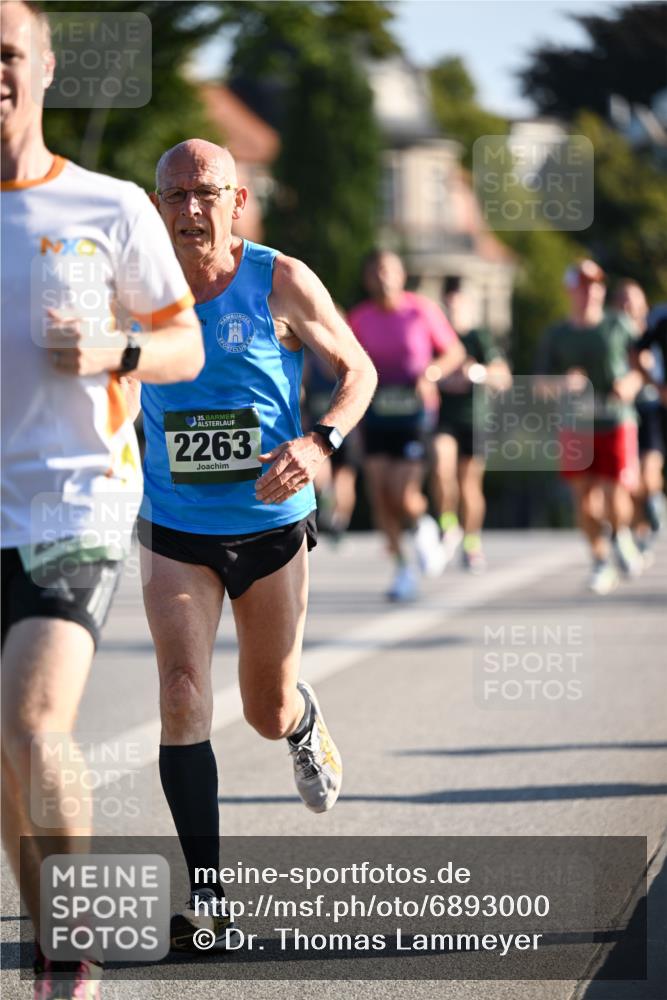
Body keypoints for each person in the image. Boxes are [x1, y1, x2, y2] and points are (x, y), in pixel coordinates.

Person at [0, 2, 204, 997]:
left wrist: (116, 347)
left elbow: (185, 343)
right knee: (5, 745)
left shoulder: (107, 206)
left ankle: (74, 952)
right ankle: (49, 950)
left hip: (73, 503)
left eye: (5, 54)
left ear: (41, 67)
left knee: (35, 719)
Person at [135, 139, 377, 950]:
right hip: (175, 529)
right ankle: (209, 901)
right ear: (158, 203)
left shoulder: (278, 278)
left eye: (208, 193)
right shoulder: (135, 286)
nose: (192, 209)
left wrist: (319, 443)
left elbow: (358, 369)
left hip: (271, 527)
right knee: (179, 693)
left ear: (237, 201)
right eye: (176, 194)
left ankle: (304, 721)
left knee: (264, 710)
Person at [348, 250, 465, 601]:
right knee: (380, 493)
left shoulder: (420, 309)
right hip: (376, 413)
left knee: (403, 491)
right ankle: (402, 568)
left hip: (415, 413)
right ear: (368, 279)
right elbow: (347, 363)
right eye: (376, 272)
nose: (383, 278)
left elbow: (454, 352)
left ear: (401, 276)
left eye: (389, 271)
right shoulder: (360, 318)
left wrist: (431, 373)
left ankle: (424, 524)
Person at [534, 260, 644, 595]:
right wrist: (563, 384)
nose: (590, 291)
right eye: (583, 285)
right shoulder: (557, 334)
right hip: (576, 426)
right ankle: (599, 561)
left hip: (615, 420)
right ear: (571, 290)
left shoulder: (618, 325)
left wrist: (631, 383)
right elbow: (539, 385)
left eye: (596, 285)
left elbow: (643, 367)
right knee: (584, 503)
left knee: (614, 496)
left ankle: (621, 534)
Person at [432, 280, 512, 573]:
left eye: (458, 305)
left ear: (467, 305)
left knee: (469, 484)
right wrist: (437, 377)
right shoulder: (437, 338)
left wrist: (476, 372)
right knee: (441, 466)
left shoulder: (479, 337)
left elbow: (503, 376)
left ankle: (472, 541)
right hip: (444, 418)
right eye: (448, 306)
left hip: (475, 419)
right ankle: (448, 524)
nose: (453, 312)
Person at [614, 280, 666, 555]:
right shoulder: (611, 335)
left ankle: (656, 502)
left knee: (648, 472)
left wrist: (650, 380)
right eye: (623, 300)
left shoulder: (655, 330)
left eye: (633, 300)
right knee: (629, 480)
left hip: (652, 409)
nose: (628, 305)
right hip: (622, 413)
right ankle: (640, 530)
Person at [303, 345, 363, 544]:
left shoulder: (350, 366)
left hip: (346, 433)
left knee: (344, 479)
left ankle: (340, 521)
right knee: (322, 476)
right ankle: (330, 505)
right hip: (317, 431)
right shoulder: (310, 365)